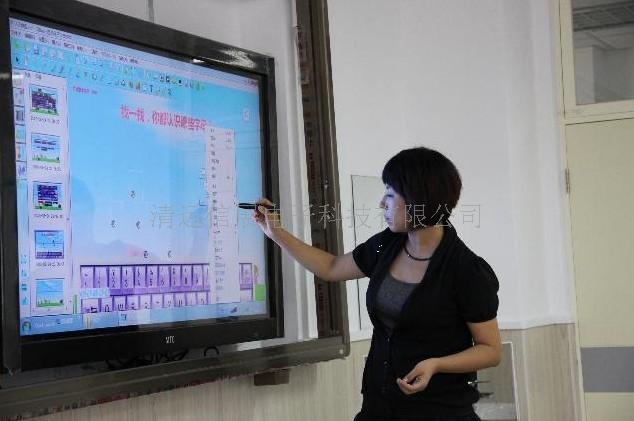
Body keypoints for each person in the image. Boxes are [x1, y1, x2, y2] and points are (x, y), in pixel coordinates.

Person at [253, 146, 501, 421]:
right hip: (379, 405)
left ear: (418, 199)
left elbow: (490, 350)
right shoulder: (387, 244)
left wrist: (437, 364)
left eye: (390, 194)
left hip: (440, 412)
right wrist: (276, 233)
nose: (382, 203)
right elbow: (331, 267)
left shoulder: (466, 270)